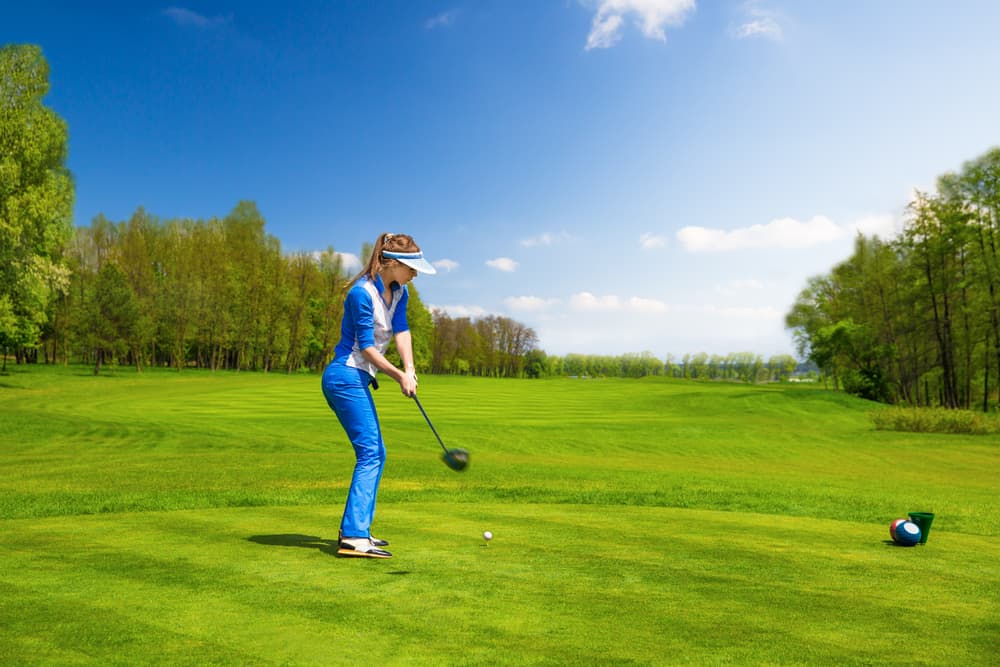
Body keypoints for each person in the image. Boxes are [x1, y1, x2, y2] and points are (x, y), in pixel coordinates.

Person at [322, 232, 436, 559]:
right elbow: (368, 348)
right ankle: (354, 537)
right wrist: (398, 375)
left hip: (357, 378)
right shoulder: (361, 294)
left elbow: (400, 330)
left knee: (377, 453)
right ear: (393, 263)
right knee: (371, 452)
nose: (415, 275)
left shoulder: (400, 293)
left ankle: (357, 530)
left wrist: (410, 368)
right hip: (345, 376)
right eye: (411, 268)